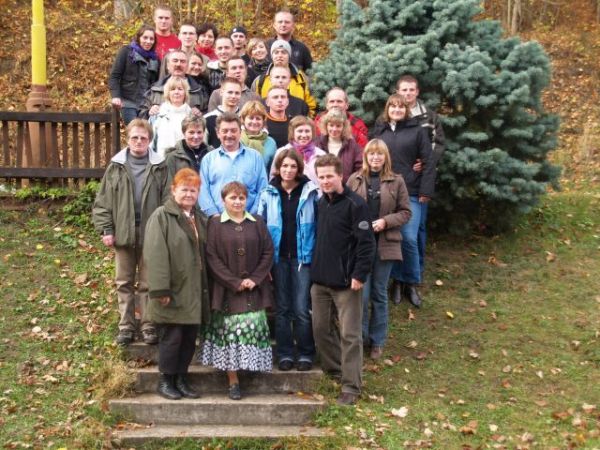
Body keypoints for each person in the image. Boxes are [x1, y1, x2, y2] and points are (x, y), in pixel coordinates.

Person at [92, 119, 168, 346]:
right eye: (135, 137)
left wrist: (164, 231)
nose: (139, 141)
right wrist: (106, 229)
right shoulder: (116, 166)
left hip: (151, 233)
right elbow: (103, 202)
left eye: (143, 138)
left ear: (150, 140)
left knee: (148, 283)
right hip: (123, 231)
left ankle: (148, 325)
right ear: (128, 138)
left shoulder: (160, 166)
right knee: (123, 282)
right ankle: (126, 326)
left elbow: (168, 201)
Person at [310, 154, 376, 406]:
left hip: (347, 283)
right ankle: (335, 369)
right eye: (321, 177)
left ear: (340, 176)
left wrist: (359, 274)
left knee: (350, 335)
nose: (325, 181)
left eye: (330, 176)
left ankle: (351, 386)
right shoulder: (321, 203)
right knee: (320, 329)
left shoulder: (356, 205)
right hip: (320, 282)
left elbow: (366, 244)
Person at [200, 181, 274, 400]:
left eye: (242, 198)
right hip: (226, 290)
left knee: (252, 327)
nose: (238, 202)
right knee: (230, 334)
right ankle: (233, 380)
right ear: (223, 200)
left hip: (254, 289)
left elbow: (268, 252)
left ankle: (250, 370)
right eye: (233, 197)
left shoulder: (257, 222)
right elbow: (211, 257)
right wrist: (233, 281)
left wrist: (255, 279)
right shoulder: (215, 224)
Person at [144, 168, 210, 400]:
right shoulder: (162, 216)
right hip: (172, 289)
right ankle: (166, 381)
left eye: (193, 190)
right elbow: (155, 255)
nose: (189, 194)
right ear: (173, 190)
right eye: (184, 190)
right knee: (172, 338)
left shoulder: (199, 218)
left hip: (193, 289)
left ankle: (181, 378)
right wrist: (160, 289)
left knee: (189, 338)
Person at [347, 139, 411, 359]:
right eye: (371, 154)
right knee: (361, 295)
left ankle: (377, 341)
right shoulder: (354, 179)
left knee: (379, 293)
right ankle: (361, 338)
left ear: (385, 157)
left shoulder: (397, 181)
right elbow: (345, 208)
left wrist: (385, 221)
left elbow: (405, 212)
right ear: (366, 156)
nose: (375, 158)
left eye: (379, 154)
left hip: (386, 242)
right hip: (360, 245)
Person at [371, 94, 436, 308]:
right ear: (387, 109)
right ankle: (397, 281)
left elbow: (428, 161)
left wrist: (426, 190)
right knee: (394, 236)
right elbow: (371, 157)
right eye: (393, 106)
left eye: (400, 107)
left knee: (408, 237)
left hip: (412, 191)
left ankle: (411, 281)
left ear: (406, 110)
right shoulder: (380, 130)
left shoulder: (417, 131)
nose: (397, 110)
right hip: (387, 190)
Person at [257, 149, 318, 371]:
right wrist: (264, 262)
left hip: (303, 258)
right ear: (278, 168)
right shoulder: (268, 192)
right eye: (284, 166)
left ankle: (305, 353)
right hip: (278, 258)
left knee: (301, 308)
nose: (288, 170)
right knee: (282, 308)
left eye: (293, 166)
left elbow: (318, 226)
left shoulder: (311, 192)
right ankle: (284, 353)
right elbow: (261, 228)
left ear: (299, 168)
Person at [396, 75, 446, 279]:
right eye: (404, 90)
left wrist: (425, 162)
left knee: (418, 227)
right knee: (400, 229)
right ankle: (398, 273)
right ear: (398, 92)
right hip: (398, 180)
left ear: (417, 92)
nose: (408, 93)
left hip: (421, 180)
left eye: (411, 90)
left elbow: (438, 144)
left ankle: (417, 270)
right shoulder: (394, 114)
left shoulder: (429, 117)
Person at [199, 113, 268, 216]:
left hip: (250, 218)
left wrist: (252, 215)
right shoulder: (208, 159)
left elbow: (263, 189)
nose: (229, 135)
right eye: (225, 131)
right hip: (217, 219)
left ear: (240, 132)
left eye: (233, 130)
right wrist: (214, 215)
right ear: (218, 133)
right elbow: (203, 190)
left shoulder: (255, 157)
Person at [109, 25, 160, 125]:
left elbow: (157, 83)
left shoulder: (155, 59)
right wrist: (116, 96)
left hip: (147, 104)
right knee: (135, 128)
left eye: (151, 39)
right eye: (145, 38)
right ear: (139, 38)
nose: (148, 41)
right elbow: (114, 76)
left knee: (147, 130)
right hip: (128, 101)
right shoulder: (126, 52)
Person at [252, 40, 316, 117]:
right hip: (268, 122)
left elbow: (311, 107)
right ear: (272, 56)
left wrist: (304, 121)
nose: (280, 55)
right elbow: (254, 106)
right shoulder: (260, 81)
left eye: (283, 52)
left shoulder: (303, 79)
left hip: (296, 122)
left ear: (289, 55)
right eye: (276, 52)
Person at [139, 50, 205, 119]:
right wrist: (149, 112)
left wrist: (199, 114)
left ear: (187, 65)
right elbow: (141, 114)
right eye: (175, 61)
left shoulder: (199, 91)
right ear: (168, 65)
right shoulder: (154, 90)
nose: (178, 64)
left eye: (182, 61)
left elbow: (207, 115)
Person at [270, 115, 326, 184]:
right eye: (300, 131)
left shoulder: (321, 155)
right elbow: (273, 179)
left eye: (307, 131)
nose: (304, 135)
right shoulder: (281, 152)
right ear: (292, 133)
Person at [315, 108, 363, 183]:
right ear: (326, 125)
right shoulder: (317, 143)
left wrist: (352, 184)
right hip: (322, 186)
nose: (334, 129)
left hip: (346, 187)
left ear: (344, 127)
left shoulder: (352, 145)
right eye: (331, 125)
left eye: (338, 126)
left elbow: (360, 169)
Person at [164, 114, 212, 186]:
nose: (196, 136)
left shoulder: (212, 154)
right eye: (191, 132)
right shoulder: (173, 157)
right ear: (184, 133)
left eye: (199, 132)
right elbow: (169, 186)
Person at [151, 76, 192, 156]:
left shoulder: (192, 117)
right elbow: (151, 144)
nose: (176, 92)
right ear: (168, 93)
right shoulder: (158, 116)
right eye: (172, 89)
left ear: (185, 93)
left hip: (185, 160)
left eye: (180, 89)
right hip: (162, 160)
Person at [204, 77, 243, 148]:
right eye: (230, 92)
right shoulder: (207, 119)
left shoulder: (246, 119)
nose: (233, 96)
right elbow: (203, 146)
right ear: (221, 92)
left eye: (237, 93)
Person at [239, 101, 277, 172]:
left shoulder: (271, 143)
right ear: (243, 119)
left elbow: (273, 170)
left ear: (263, 121)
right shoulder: (236, 140)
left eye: (258, 118)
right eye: (251, 118)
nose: (254, 122)